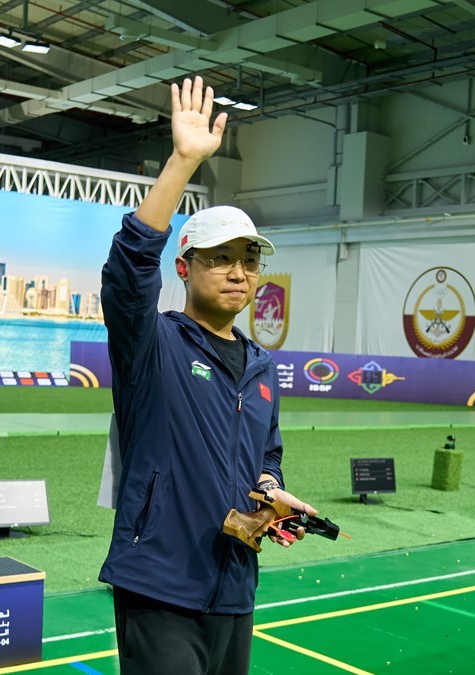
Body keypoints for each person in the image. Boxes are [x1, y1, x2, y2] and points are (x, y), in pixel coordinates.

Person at [97, 76, 317, 675]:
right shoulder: (153, 344)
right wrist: (184, 160)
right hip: (160, 585)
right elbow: (128, 271)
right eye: (221, 258)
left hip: (235, 586)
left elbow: (267, 455)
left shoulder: (263, 367)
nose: (239, 272)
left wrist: (270, 493)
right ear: (184, 267)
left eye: (249, 260)